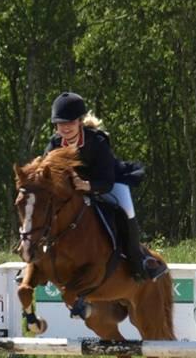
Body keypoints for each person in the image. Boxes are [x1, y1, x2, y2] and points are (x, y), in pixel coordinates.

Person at [44, 91, 167, 281]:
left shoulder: (97, 142)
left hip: (105, 182)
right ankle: (36, 261)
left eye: (69, 122)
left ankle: (139, 261)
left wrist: (87, 185)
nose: (65, 128)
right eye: (61, 123)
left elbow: (107, 181)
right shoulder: (54, 144)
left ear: (80, 121)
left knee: (126, 211)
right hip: (72, 192)